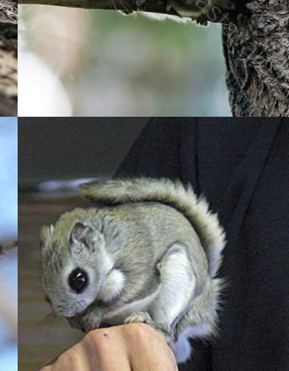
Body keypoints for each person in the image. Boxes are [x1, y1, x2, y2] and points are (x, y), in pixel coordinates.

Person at [43, 118, 288, 370]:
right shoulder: (200, 135)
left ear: (87, 239)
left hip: (181, 293)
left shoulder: (129, 251)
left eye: (78, 280)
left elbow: (141, 286)